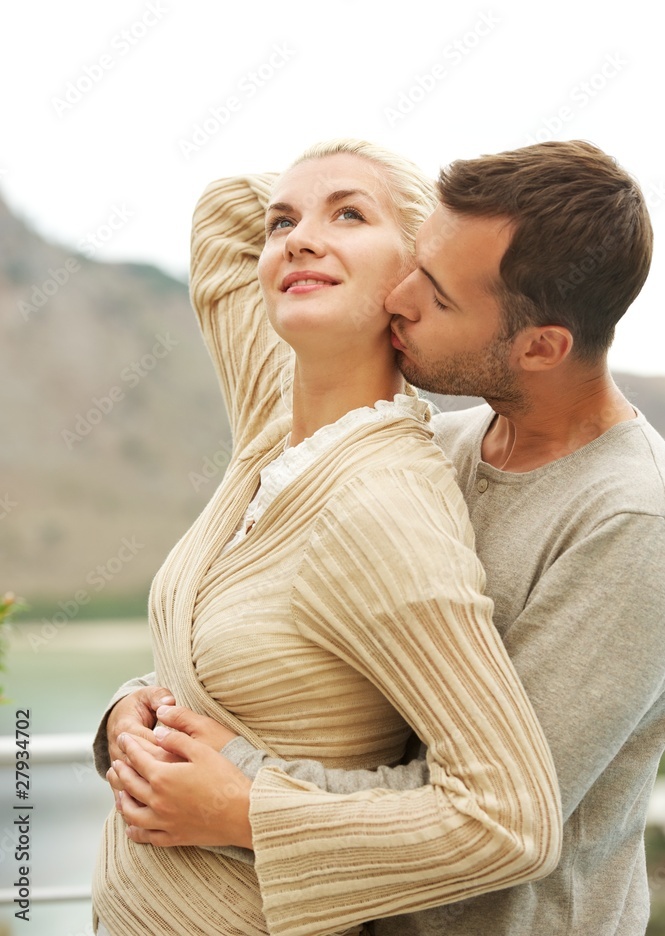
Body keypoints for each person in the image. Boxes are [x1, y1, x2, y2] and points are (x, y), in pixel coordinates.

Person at [103, 139, 665, 936]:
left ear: (539, 347)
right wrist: (140, 711)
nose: (401, 297)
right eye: (414, 263)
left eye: (434, 291)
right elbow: (306, 661)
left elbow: (500, 812)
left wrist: (241, 795)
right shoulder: (444, 443)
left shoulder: (630, 523)